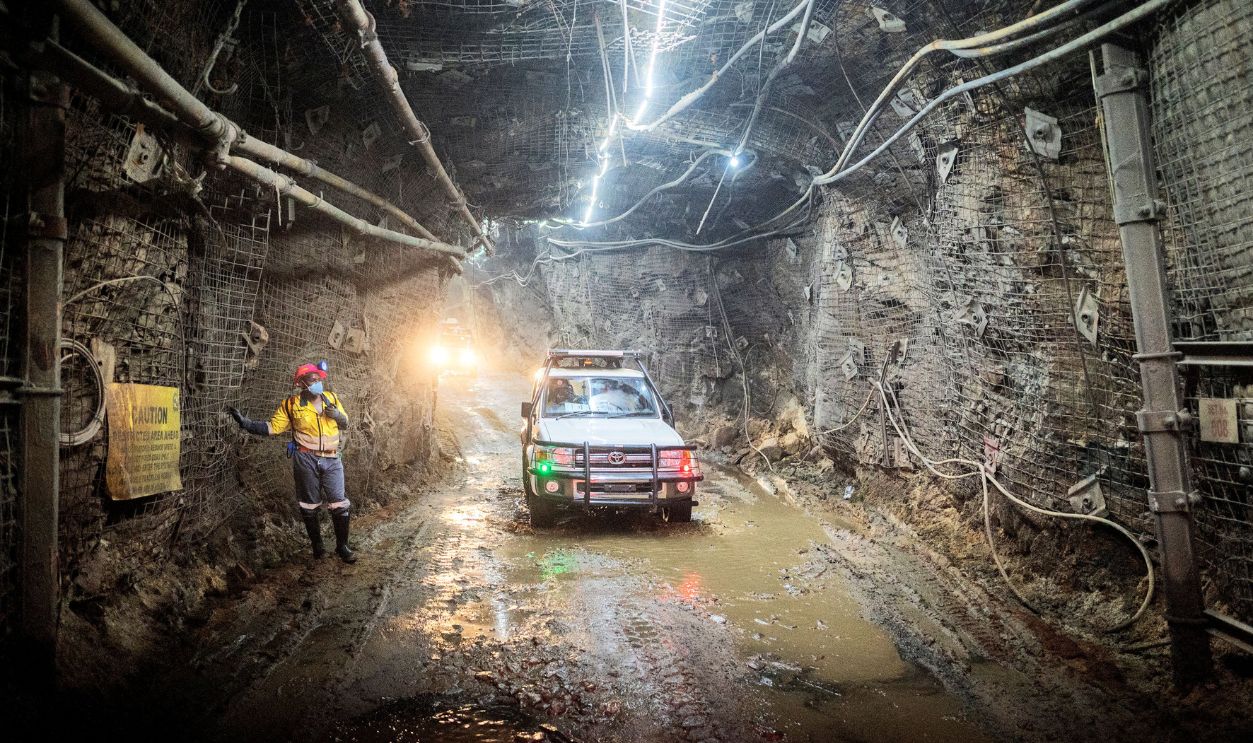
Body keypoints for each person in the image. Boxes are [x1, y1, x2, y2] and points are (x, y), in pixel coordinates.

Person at [228, 363, 357, 563]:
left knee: (339, 502)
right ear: (302, 383)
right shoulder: (291, 405)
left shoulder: (331, 398)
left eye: (319, 379)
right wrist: (246, 424)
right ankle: (318, 547)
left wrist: (338, 415)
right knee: (309, 506)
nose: (318, 383)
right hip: (306, 459)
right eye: (313, 380)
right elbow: (273, 427)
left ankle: (342, 547)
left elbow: (346, 422)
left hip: (332, 459)